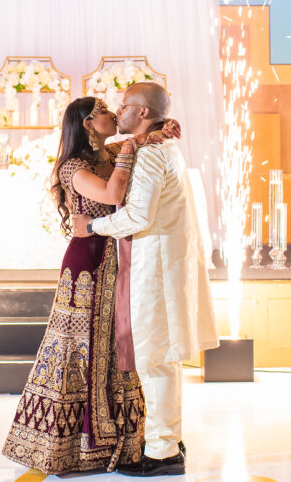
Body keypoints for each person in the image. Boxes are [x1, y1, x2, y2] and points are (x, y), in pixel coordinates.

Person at [72, 83, 218, 477]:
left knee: (155, 359)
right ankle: (167, 439)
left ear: (140, 112)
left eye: (123, 106)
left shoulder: (153, 154)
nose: (117, 111)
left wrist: (92, 226)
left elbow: (138, 217)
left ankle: (162, 452)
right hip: (160, 262)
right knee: (161, 358)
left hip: (155, 267)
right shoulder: (157, 146)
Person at [2, 97, 146, 473]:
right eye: (104, 111)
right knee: (80, 347)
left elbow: (139, 143)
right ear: (87, 123)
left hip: (117, 259)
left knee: (117, 344)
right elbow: (112, 195)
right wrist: (130, 150)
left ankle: (122, 436)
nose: (114, 114)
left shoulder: (110, 152)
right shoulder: (74, 167)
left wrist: (160, 130)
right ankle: (74, 445)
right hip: (89, 264)